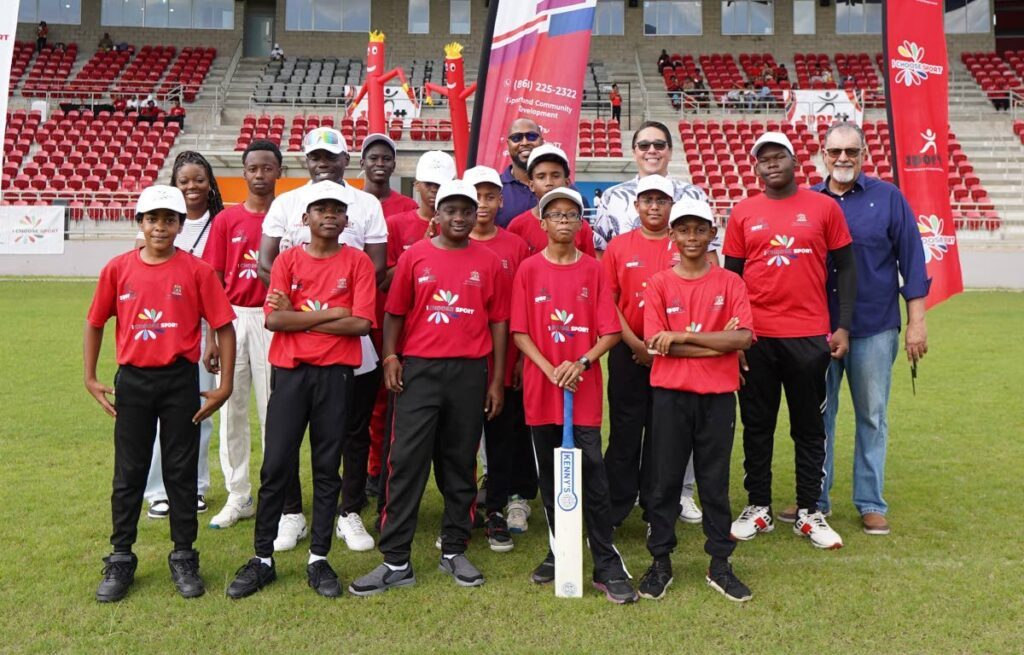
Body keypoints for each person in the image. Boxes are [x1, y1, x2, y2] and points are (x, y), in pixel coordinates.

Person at [348, 180, 509, 596]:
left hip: (469, 373)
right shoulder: (415, 257)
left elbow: (498, 323)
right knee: (405, 463)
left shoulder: (488, 261)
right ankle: (396, 560)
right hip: (419, 371)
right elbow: (395, 313)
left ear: (476, 215)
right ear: (436, 214)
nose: (459, 218)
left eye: (466, 211)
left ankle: (454, 549)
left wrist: (495, 379)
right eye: (450, 210)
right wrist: (390, 356)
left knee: (459, 465)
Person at [774, 123, 930, 535]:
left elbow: (913, 263)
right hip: (815, 328)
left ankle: (870, 501)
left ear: (864, 154)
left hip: (874, 326)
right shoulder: (804, 200)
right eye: (835, 151)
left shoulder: (889, 199)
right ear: (822, 154)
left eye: (851, 151)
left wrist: (917, 322)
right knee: (816, 417)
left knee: (872, 416)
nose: (843, 159)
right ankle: (814, 497)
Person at [226, 181, 377, 599]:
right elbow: (273, 320)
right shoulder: (288, 260)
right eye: (320, 208)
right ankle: (262, 559)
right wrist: (333, 314)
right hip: (291, 374)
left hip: (336, 376)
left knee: (328, 467)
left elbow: (361, 324)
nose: (329, 215)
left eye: (336, 209)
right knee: (276, 464)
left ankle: (319, 558)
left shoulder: (358, 262)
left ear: (347, 220)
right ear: (304, 218)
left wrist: (300, 315)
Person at [85, 185, 236, 602]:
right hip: (132, 382)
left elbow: (223, 325)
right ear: (140, 222)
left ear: (180, 225)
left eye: (169, 219)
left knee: (180, 472)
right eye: (152, 219)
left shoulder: (197, 271)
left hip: (179, 381)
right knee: (129, 473)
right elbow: (95, 321)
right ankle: (120, 558)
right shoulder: (117, 269)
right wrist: (89, 377)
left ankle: (184, 555)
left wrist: (224, 385)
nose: (160, 227)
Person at [723, 132, 856, 551]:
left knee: (809, 428)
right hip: (757, 337)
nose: (771, 163)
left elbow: (847, 270)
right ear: (756, 167)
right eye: (763, 159)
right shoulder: (743, 212)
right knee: (757, 425)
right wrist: (737, 336)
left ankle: (808, 511)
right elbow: (732, 280)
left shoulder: (824, 207)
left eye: (778, 156)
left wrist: (843, 326)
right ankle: (758, 506)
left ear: (795, 161)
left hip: (807, 337)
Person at [259, 127, 388, 553]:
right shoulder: (287, 203)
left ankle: (348, 511)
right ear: (306, 160)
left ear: (344, 161)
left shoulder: (366, 204)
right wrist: (320, 314)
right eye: (315, 156)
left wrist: (301, 317)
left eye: (330, 157)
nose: (322, 163)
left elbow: (374, 270)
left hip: (347, 351)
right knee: (287, 436)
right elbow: (267, 264)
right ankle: (292, 513)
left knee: (349, 432)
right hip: (298, 350)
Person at [510, 187, 637, 604]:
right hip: (542, 390)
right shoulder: (528, 270)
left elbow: (611, 331)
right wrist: (551, 370)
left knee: (592, 477)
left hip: (580, 390)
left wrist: (579, 364)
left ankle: (604, 560)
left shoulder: (594, 270)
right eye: (555, 215)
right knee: (550, 477)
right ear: (542, 223)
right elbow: (520, 332)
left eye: (571, 215)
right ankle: (558, 548)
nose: (564, 221)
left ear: (580, 224)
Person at [638, 197, 754, 603]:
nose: (691, 237)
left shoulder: (730, 282)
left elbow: (743, 339)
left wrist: (684, 336)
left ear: (711, 233)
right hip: (671, 397)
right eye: (683, 229)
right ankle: (660, 561)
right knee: (664, 481)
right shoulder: (658, 283)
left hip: (718, 398)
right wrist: (718, 343)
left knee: (714, 484)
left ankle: (719, 563)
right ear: (672, 235)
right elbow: (656, 344)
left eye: (699, 229)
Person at [601, 174, 694, 530]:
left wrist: (661, 346)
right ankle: (614, 508)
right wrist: (637, 345)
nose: (654, 207)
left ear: (671, 206)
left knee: (663, 435)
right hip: (629, 351)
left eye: (661, 201)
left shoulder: (682, 246)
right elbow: (609, 303)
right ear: (636, 205)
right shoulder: (619, 247)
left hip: (672, 353)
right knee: (625, 432)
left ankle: (659, 510)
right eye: (647, 200)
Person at [139, 151, 225, 522]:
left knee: (198, 413)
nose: (192, 186)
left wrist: (215, 338)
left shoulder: (221, 223)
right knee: (159, 414)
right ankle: (158, 491)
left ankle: (194, 487)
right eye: (184, 180)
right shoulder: (159, 224)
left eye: (199, 178)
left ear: (211, 183)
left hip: (204, 329)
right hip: (161, 325)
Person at [201, 140, 282, 529]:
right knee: (231, 407)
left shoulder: (289, 217)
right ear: (244, 172)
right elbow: (213, 279)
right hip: (232, 318)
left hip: (275, 321)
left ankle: (275, 493)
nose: (260, 175)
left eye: (268, 168)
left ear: (278, 172)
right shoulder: (226, 221)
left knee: (273, 410)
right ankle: (239, 494)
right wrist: (212, 336)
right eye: (253, 169)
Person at [464, 165, 534, 549]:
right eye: (476, 196)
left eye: (490, 196)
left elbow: (520, 309)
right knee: (461, 443)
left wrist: (521, 359)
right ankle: (461, 511)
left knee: (502, 438)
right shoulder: (452, 243)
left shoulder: (514, 246)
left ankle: (495, 512)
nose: (482, 204)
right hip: (462, 363)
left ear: (501, 200)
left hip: (504, 363)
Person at [358, 133, 417, 501]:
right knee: (364, 405)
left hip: (399, 319)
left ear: (394, 165)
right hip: (361, 317)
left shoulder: (409, 208)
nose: (379, 164)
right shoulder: (350, 203)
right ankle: (366, 470)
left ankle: (383, 473)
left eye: (386, 159)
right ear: (362, 162)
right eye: (373, 158)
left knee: (391, 400)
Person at [494, 118, 589, 228]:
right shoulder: (495, 190)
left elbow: (581, 236)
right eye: (516, 138)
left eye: (531, 136)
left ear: (542, 141)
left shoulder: (571, 193)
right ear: (508, 144)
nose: (524, 142)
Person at [507, 144, 596, 257]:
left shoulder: (581, 227)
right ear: (531, 185)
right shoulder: (517, 226)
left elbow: (589, 268)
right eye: (541, 177)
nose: (549, 182)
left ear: (567, 183)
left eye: (555, 176)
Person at [385, 150, 457, 261]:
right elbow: (383, 277)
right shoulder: (394, 224)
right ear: (417, 185)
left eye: (440, 184)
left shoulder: (461, 225)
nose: (434, 189)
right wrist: (422, 249)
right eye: (428, 183)